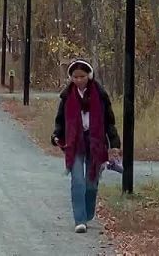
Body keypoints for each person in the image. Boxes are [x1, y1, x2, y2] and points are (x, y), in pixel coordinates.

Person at [51, 59, 121, 234]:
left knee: (91, 183)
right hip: (75, 142)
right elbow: (61, 120)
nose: (78, 80)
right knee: (78, 181)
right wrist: (56, 134)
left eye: (82, 76)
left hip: (96, 142)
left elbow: (109, 122)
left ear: (89, 76)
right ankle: (79, 220)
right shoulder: (67, 95)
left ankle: (88, 213)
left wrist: (114, 144)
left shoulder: (100, 94)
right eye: (75, 77)